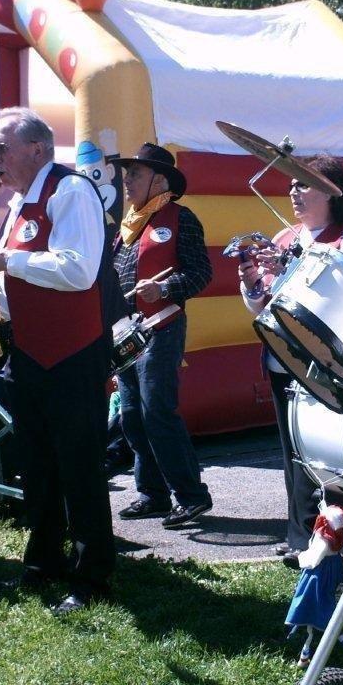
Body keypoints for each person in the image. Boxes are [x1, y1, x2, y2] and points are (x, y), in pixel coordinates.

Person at [0, 107, 114, 615]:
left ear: (37, 149)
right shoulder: (16, 205)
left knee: (80, 469)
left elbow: (78, 271)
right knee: (39, 467)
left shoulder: (70, 191)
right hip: (30, 353)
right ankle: (42, 563)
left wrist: (6, 260)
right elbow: (23, 282)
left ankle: (92, 575)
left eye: (0, 148)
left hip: (74, 354)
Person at [238, 156, 343, 567]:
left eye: (304, 185)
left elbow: (338, 300)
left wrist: (290, 268)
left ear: (333, 193)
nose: (294, 192)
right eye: (292, 185)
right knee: (292, 452)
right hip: (282, 361)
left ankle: (333, 535)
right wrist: (250, 282)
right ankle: (299, 535)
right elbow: (261, 307)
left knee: (328, 454)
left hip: (326, 367)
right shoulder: (284, 237)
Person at [109, 143, 213, 528]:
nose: (127, 180)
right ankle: (152, 494)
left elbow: (201, 273)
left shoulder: (181, 218)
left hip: (162, 327)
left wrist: (165, 290)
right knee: (132, 416)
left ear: (160, 179)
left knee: (157, 411)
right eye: (127, 173)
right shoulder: (126, 227)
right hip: (126, 336)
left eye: (134, 173)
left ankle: (191, 497)